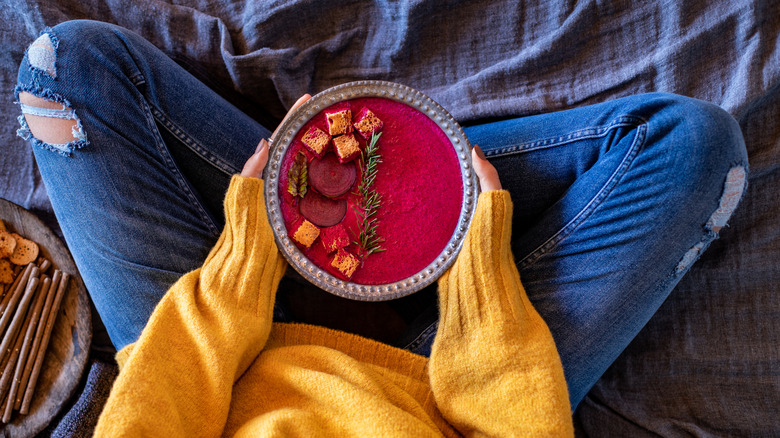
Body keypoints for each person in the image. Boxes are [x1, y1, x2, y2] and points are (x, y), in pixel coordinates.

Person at [15, 20, 747, 436]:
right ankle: (427, 181)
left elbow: (146, 423)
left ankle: (368, 169)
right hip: (439, 388)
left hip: (208, 373)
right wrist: (480, 279)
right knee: (699, 151)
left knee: (63, 69)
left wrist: (244, 263)